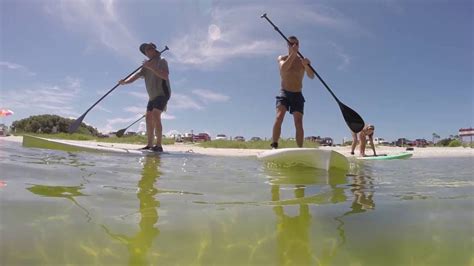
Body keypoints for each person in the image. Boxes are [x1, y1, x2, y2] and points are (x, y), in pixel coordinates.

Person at [119, 42, 171, 152]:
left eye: (148, 49)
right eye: (145, 51)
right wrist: (125, 82)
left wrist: (151, 67)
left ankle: (159, 145)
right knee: (148, 118)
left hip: (162, 93)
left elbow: (165, 75)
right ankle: (149, 145)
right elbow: (136, 76)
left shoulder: (162, 60)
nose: (147, 52)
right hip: (152, 96)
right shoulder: (146, 66)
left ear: (154, 49)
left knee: (156, 115)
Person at [271, 36, 315, 149]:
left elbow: (311, 76)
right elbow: (283, 69)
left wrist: (307, 66)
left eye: (296, 44)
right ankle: (274, 144)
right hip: (284, 93)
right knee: (279, 117)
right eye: (291, 44)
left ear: (298, 45)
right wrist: (293, 54)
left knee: (298, 122)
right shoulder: (282, 58)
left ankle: (300, 148)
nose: (294, 45)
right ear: (288, 45)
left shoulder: (302, 61)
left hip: (297, 94)